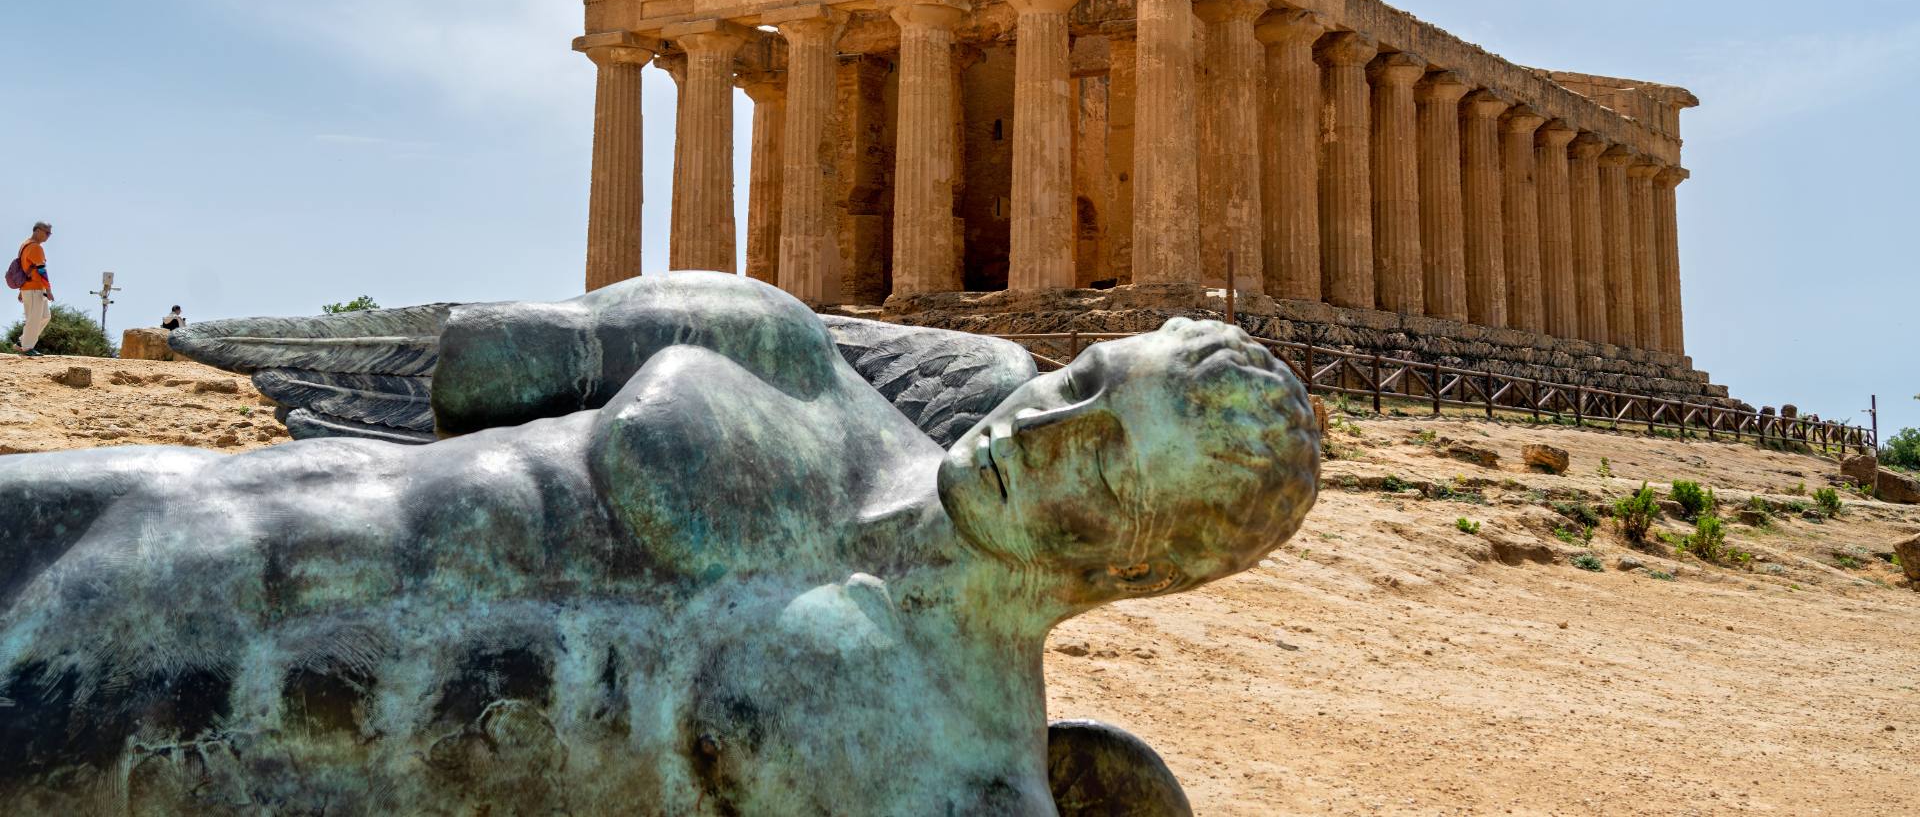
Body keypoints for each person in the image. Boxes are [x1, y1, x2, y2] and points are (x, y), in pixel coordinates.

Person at [0, 273, 1320, 814]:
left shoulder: (959, 783)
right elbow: (477, 365)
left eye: (1106, 459)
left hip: (177, 767)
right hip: (150, 522)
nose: (1047, 430)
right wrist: (784, 320)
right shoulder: (791, 361)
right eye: (1083, 377)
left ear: (1150, 564)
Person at [12, 222, 51, 356]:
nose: (48, 236)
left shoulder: (25, 245)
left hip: (30, 288)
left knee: (45, 316)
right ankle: (27, 348)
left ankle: (22, 342)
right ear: (38, 231)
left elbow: (25, 269)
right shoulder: (35, 247)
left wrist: (21, 289)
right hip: (34, 288)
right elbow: (41, 269)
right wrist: (49, 289)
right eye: (47, 232)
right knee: (34, 318)